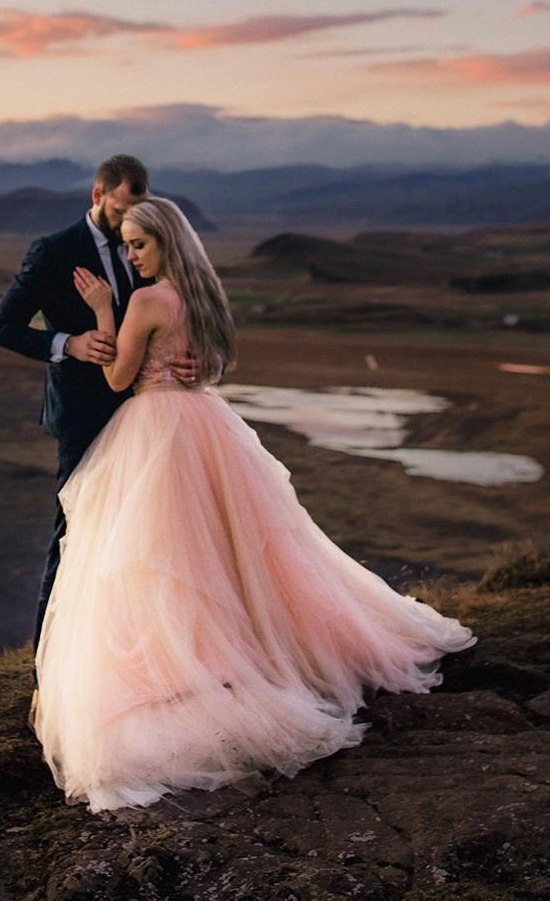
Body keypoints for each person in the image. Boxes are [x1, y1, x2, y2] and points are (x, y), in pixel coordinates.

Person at [27, 195, 477, 813]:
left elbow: (116, 377)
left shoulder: (146, 299)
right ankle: (252, 651)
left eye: (139, 244)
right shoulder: (202, 293)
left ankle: (194, 668)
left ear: (164, 242)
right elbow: (211, 363)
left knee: (160, 554)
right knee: (231, 547)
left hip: (156, 430)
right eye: (127, 244)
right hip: (206, 424)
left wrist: (103, 309)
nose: (130, 255)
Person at [0, 155, 199, 678]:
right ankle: (50, 672)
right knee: (75, 535)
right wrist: (70, 343)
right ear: (97, 195)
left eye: (139, 214)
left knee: (154, 537)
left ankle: (137, 659)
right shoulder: (54, 252)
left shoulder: (153, 245)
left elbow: (178, 316)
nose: (130, 228)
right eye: (121, 211)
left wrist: (194, 362)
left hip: (150, 412)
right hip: (84, 415)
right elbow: (3, 326)